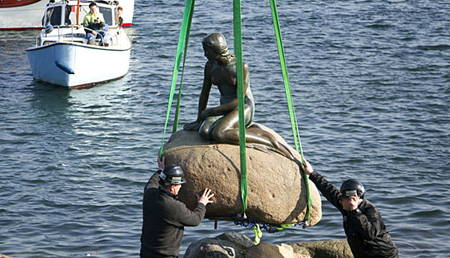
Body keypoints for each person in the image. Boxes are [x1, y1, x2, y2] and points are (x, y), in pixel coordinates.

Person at [184, 32, 293, 159]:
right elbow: (204, 94)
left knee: (219, 133)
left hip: (243, 107)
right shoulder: (210, 66)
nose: (204, 55)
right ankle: (245, 131)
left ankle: (268, 140)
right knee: (204, 132)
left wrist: (212, 111)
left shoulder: (240, 67)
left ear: (216, 50)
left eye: (206, 51)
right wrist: (199, 119)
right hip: (225, 108)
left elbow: (239, 100)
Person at [300, 160, 399, 258]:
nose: (339, 201)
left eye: (342, 199)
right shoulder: (345, 206)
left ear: (352, 199)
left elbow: (370, 233)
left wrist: (355, 211)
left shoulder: (370, 211)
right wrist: (312, 173)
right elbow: (329, 190)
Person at [140, 157, 214, 258]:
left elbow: (152, 182)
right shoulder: (174, 207)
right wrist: (202, 203)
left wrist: (161, 170)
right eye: (179, 184)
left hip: (145, 253)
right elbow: (195, 219)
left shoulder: (149, 194)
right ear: (172, 187)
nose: (180, 187)